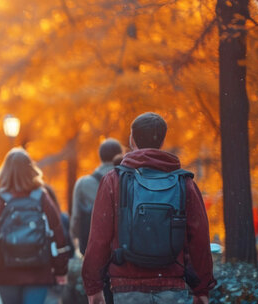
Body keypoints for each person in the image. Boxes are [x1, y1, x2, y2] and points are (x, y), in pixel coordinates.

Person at [82, 112, 216, 304]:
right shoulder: (184, 183)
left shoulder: (113, 180)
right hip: (172, 284)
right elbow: (200, 239)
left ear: (132, 139)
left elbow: (99, 239)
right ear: (162, 140)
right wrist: (201, 288)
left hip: (127, 285)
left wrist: (93, 287)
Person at [0, 148, 70, 304]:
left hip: (7, 272)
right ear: (31, 169)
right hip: (39, 271)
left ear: (5, 170)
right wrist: (61, 270)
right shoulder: (41, 196)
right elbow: (57, 233)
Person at [70, 139, 123, 255]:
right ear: (120, 154)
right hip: (122, 245)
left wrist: (75, 236)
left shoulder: (83, 183)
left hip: (92, 244)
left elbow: (76, 217)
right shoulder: (128, 179)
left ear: (100, 156)